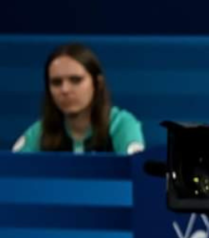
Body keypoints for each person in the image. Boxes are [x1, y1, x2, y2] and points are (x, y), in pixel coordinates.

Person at [13, 43, 144, 155]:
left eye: (76, 80)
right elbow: (13, 173)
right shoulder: (41, 131)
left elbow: (137, 172)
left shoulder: (121, 125)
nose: (65, 90)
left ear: (97, 84)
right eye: (56, 82)